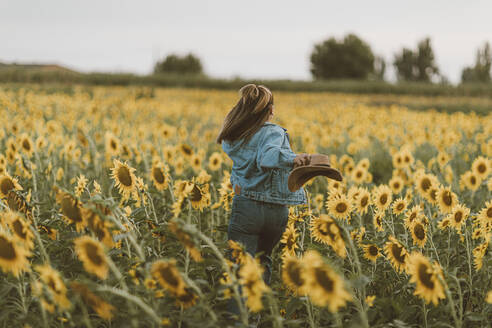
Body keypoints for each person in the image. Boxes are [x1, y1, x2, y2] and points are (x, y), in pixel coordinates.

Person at [217, 84, 310, 325]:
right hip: (275, 211)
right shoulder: (273, 132)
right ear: (270, 109)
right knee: (262, 261)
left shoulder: (235, 134)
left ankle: (240, 322)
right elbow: (268, 157)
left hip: (247, 207)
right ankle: (255, 318)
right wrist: (292, 157)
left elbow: (259, 155)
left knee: (241, 268)